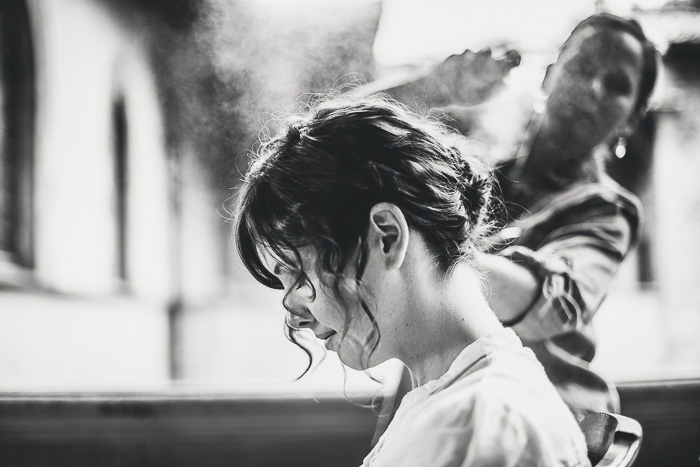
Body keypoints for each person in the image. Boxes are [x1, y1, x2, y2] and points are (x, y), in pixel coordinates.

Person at [233, 95, 591, 466]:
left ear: (387, 236)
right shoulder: (460, 401)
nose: (294, 316)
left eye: (297, 272)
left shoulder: (472, 428)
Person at [454, 13, 659, 420]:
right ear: (549, 75)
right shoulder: (471, 180)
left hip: (547, 424)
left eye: (617, 85)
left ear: (631, 119)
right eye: (583, 66)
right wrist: (431, 88)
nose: (595, 89)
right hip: (439, 418)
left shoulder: (606, 212)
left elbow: (559, 302)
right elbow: (343, 150)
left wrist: (433, 260)